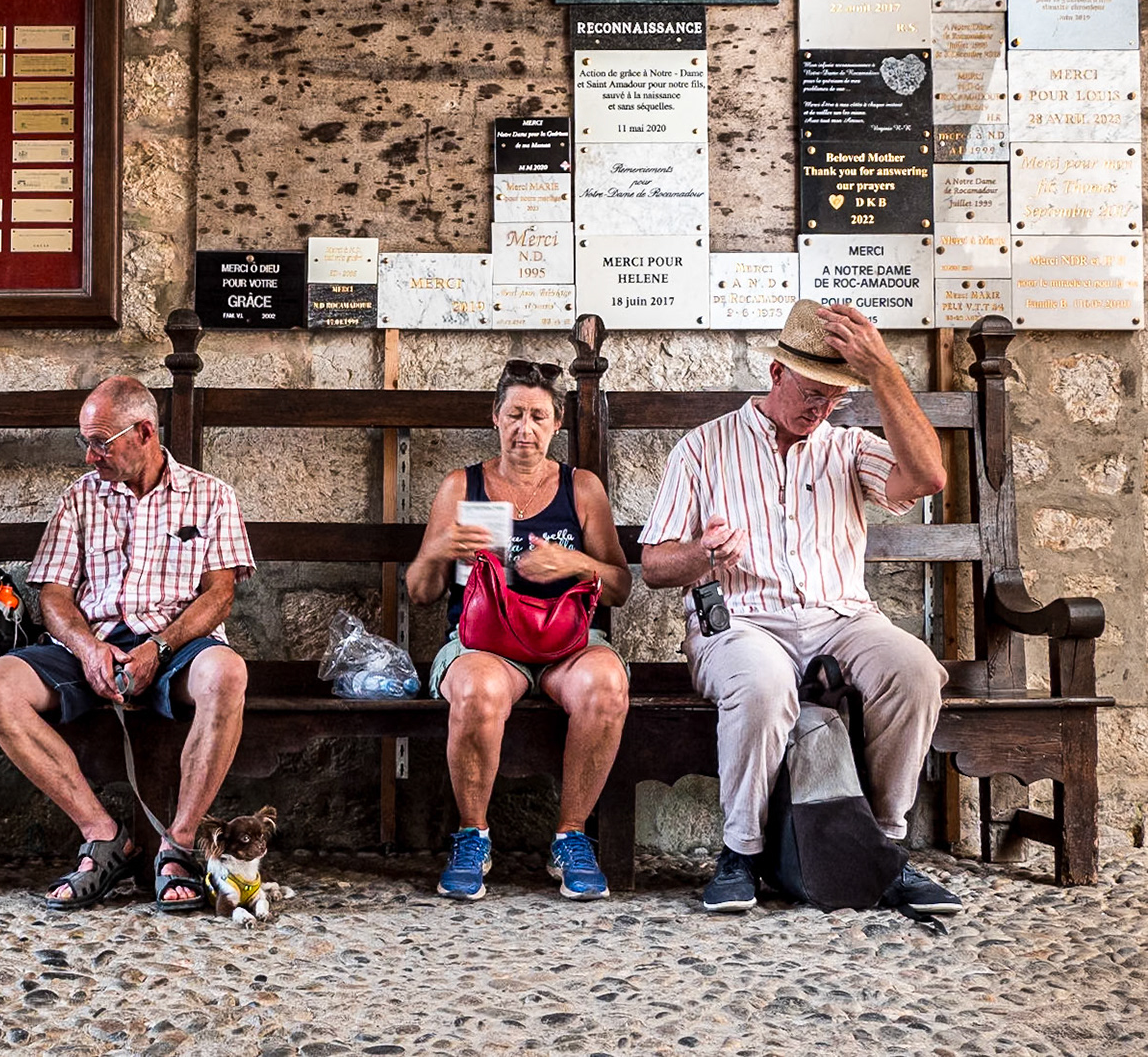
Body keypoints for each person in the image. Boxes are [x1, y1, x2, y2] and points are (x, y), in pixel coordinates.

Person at [639, 299, 962, 916]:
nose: (820, 410)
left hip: (843, 617)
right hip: (742, 619)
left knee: (915, 670)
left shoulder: (846, 447)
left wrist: (885, 371)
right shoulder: (704, 448)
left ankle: (884, 853)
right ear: (775, 374)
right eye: (812, 392)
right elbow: (654, 566)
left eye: (833, 399)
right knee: (761, 684)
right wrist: (704, 558)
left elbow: (926, 478)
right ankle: (739, 855)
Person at [0, 375, 254, 912]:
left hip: (177, 643)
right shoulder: (79, 498)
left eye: (100, 443)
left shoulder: (212, 496)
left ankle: (180, 846)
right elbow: (52, 595)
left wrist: (160, 648)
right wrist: (86, 648)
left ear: (144, 432)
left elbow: (219, 597)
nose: (89, 457)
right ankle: (104, 835)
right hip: (93, 641)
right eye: (85, 443)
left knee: (228, 674)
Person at [406, 358, 632, 902]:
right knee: (477, 691)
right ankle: (472, 837)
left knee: (607, 686)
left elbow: (620, 584)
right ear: (495, 418)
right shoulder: (463, 485)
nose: (524, 429)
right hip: (484, 640)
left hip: (567, 642)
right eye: (514, 415)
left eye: (537, 417)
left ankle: (571, 836)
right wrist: (438, 548)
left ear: (556, 425)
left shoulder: (582, 488)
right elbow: (420, 592)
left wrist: (573, 565)